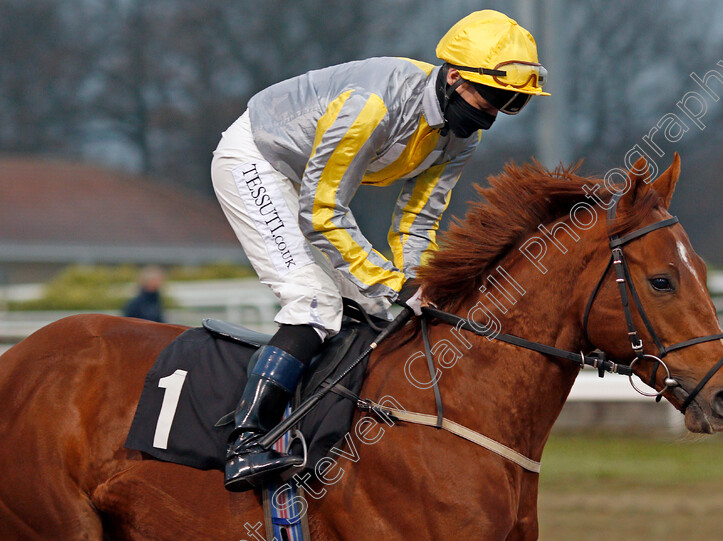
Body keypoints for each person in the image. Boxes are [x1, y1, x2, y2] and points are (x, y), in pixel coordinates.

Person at [210, 9, 549, 491]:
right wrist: (396, 283)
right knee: (314, 301)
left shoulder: (460, 137)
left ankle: (324, 429)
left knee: (375, 306)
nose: (493, 113)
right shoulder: (374, 104)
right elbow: (322, 210)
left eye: (512, 104)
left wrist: (424, 285)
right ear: (454, 76)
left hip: (307, 185)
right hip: (257, 161)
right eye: (493, 96)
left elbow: (417, 224)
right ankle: (247, 442)